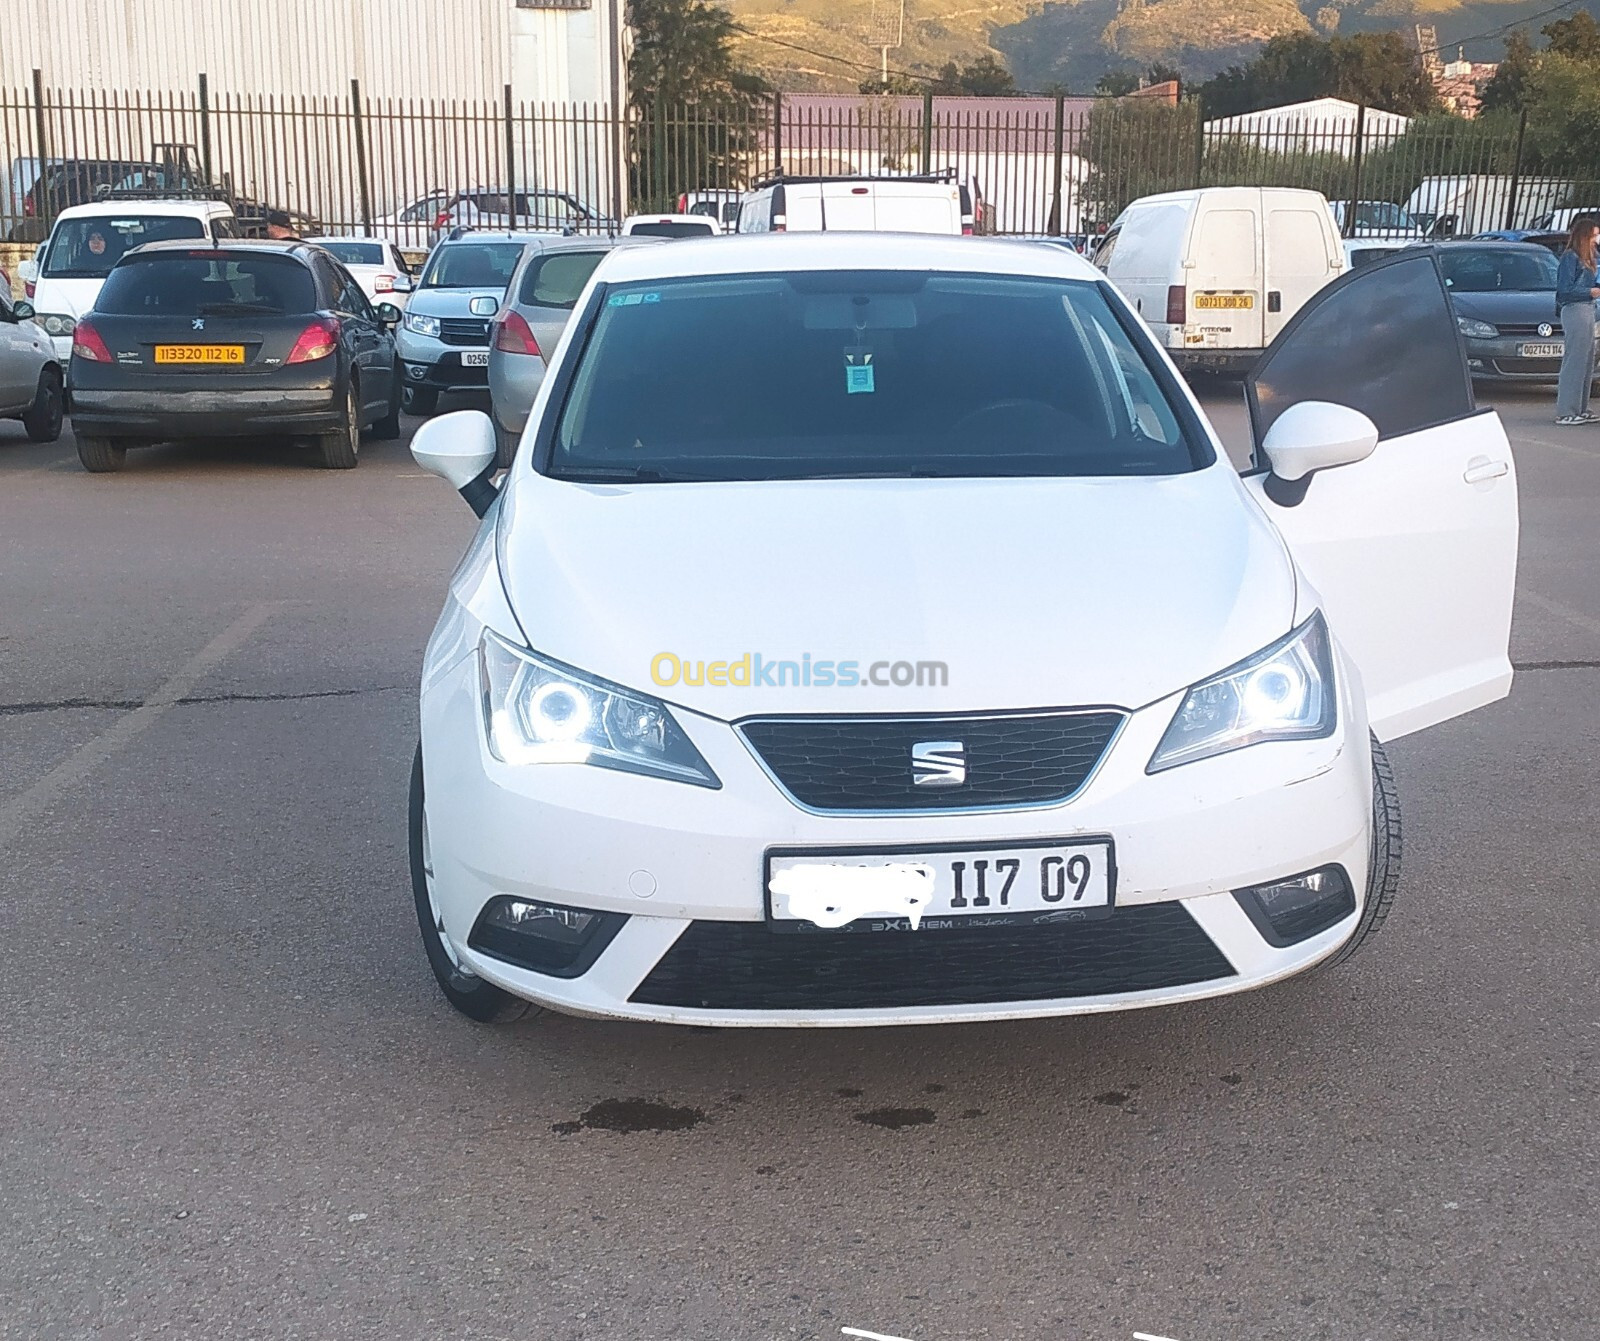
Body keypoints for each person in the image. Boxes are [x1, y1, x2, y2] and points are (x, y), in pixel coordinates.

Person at [1554, 213, 1600, 426]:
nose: (1595, 241)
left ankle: (1580, 407)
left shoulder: (1589, 258)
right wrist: (1589, 292)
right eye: (1593, 237)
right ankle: (1566, 410)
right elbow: (1564, 292)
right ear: (1584, 236)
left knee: (1587, 359)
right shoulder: (1570, 258)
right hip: (1574, 309)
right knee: (1575, 360)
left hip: (1588, 309)